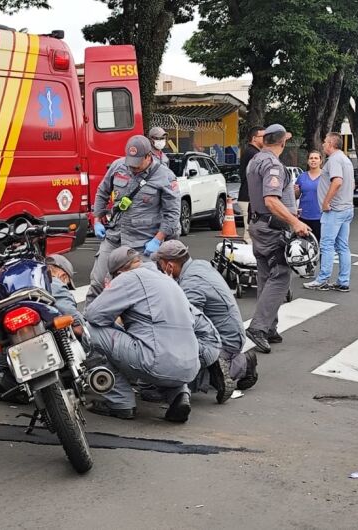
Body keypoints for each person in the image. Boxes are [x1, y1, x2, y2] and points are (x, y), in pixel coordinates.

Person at [85, 246, 200, 423]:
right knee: (167, 344)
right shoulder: (168, 280)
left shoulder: (129, 278)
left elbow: (94, 315)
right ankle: (179, 394)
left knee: (89, 331)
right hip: (190, 366)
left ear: (119, 271)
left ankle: (121, 402)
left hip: (156, 361)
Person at [152, 239, 257, 396]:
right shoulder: (198, 265)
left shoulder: (192, 285)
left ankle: (239, 365)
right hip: (228, 333)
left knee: (178, 372)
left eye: (160, 265)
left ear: (169, 266)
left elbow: (186, 325)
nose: (159, 269)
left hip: (225, 341)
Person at [87, 135, 180, 305]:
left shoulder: (165, 176)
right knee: (99, 282)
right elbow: (102, 191)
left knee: (146, 291)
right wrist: (97, 220)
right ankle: (89, 324)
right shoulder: (118, 166)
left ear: (148, 156)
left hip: (143, 243)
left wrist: (158, 239)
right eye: (131, 161)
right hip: (115, 236)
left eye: (137, 162)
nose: (133, 167)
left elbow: (172, 213)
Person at [245, 124, 309, 354]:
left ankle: (269, 327)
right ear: (282, 142)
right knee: (281, 277)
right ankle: (259, 327)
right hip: (272, 228)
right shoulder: (272, 164)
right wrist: (295, 222)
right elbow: (271, 200)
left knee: (265, 277)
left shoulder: (255, 161)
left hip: (259, 224)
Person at [0, 253, 84, 351]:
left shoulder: (16, 279)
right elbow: (77, 324)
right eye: (67, 283)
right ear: (63, 276)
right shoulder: (55, 283)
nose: (65, 286)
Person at [303, 132, 355, 292]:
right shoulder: (346, 160)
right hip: (346, 208)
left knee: (326, 245)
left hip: (334, 210)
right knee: (343, 246)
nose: (323, 144)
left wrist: (326, 202)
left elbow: (337, 181)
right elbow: (351, 184)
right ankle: (343, 281)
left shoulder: (334, 160)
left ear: (332, 143)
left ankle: (322, 279)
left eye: (325, 142)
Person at [237, 126, 265, 243]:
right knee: (250, 232)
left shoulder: (252, 152)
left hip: (248, 195)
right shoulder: (253, 153)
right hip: (248, 196)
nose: (266, 139)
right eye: (263, 136)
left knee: (251, 230)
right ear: (254, 138)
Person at [295, 150, 323, 241]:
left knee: (320, 244)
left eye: (316, 158)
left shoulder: (325, 176)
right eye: (311, 158)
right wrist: (296, 191)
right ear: (307, 161)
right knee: (304, 244)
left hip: (320, 216)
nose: (313, 160)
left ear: (320, 161)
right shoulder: (301, 176)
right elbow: (296, 196)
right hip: (304, 216)